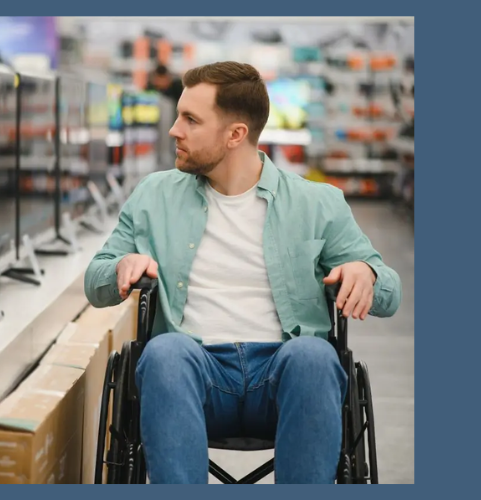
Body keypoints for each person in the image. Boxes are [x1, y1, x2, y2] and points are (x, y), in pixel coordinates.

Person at [83, 61, 401, 484]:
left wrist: (366, 274)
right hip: (193, 374)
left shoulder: (317, 203)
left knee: (314, 356)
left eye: (190, 120)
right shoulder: (153, 196)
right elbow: (95, 281)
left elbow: (390, 294)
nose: (174, 130)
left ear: (235, 134)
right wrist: (121, 267)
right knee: (165, 353)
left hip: (285, 376)